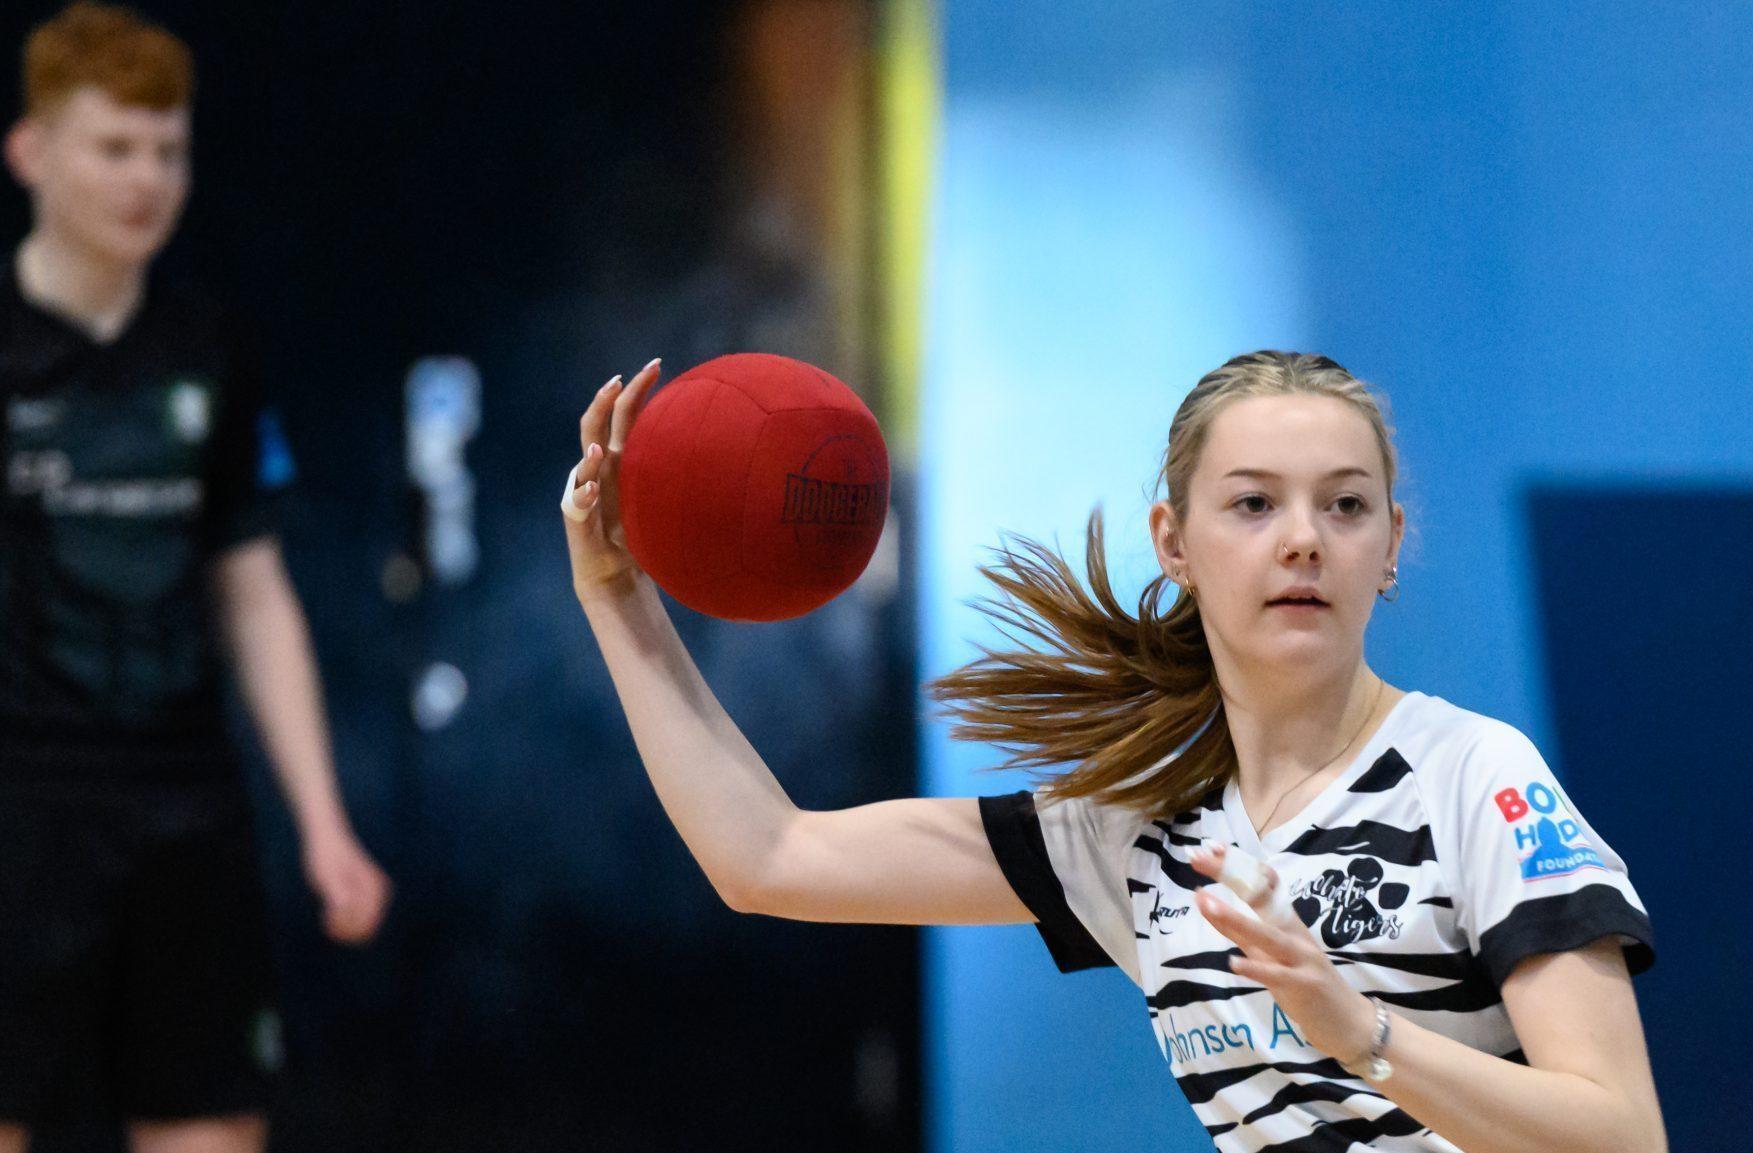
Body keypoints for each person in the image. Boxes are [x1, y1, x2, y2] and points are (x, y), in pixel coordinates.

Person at [560, 350, 1664, 1152]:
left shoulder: (1474, 776)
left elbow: (1621, 1137)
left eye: (1345, 504)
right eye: (1252, 502)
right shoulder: (1140, 831)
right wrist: (616, 598)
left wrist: (1363, 1032)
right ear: (1172, 544)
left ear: (1388, 549)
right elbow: (769, 857)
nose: (1301, 537)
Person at [0, 5, 390, 1151]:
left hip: (187, 801)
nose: (147, 179)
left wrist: (323, 823)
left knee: (212, 1123)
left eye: (168, 151)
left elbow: (254, 590)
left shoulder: (209, 345)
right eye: (115, 147)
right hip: (20, 800)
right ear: (31, 153)